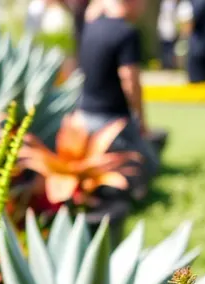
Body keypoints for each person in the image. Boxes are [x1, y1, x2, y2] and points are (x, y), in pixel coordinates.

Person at [77, 0, 157, 199]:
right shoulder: (126, 33)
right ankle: (134, 200)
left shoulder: (91, 27)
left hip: (84, 114)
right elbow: (129, 79)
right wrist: (140, 119)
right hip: (113, 120)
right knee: (150, 163)